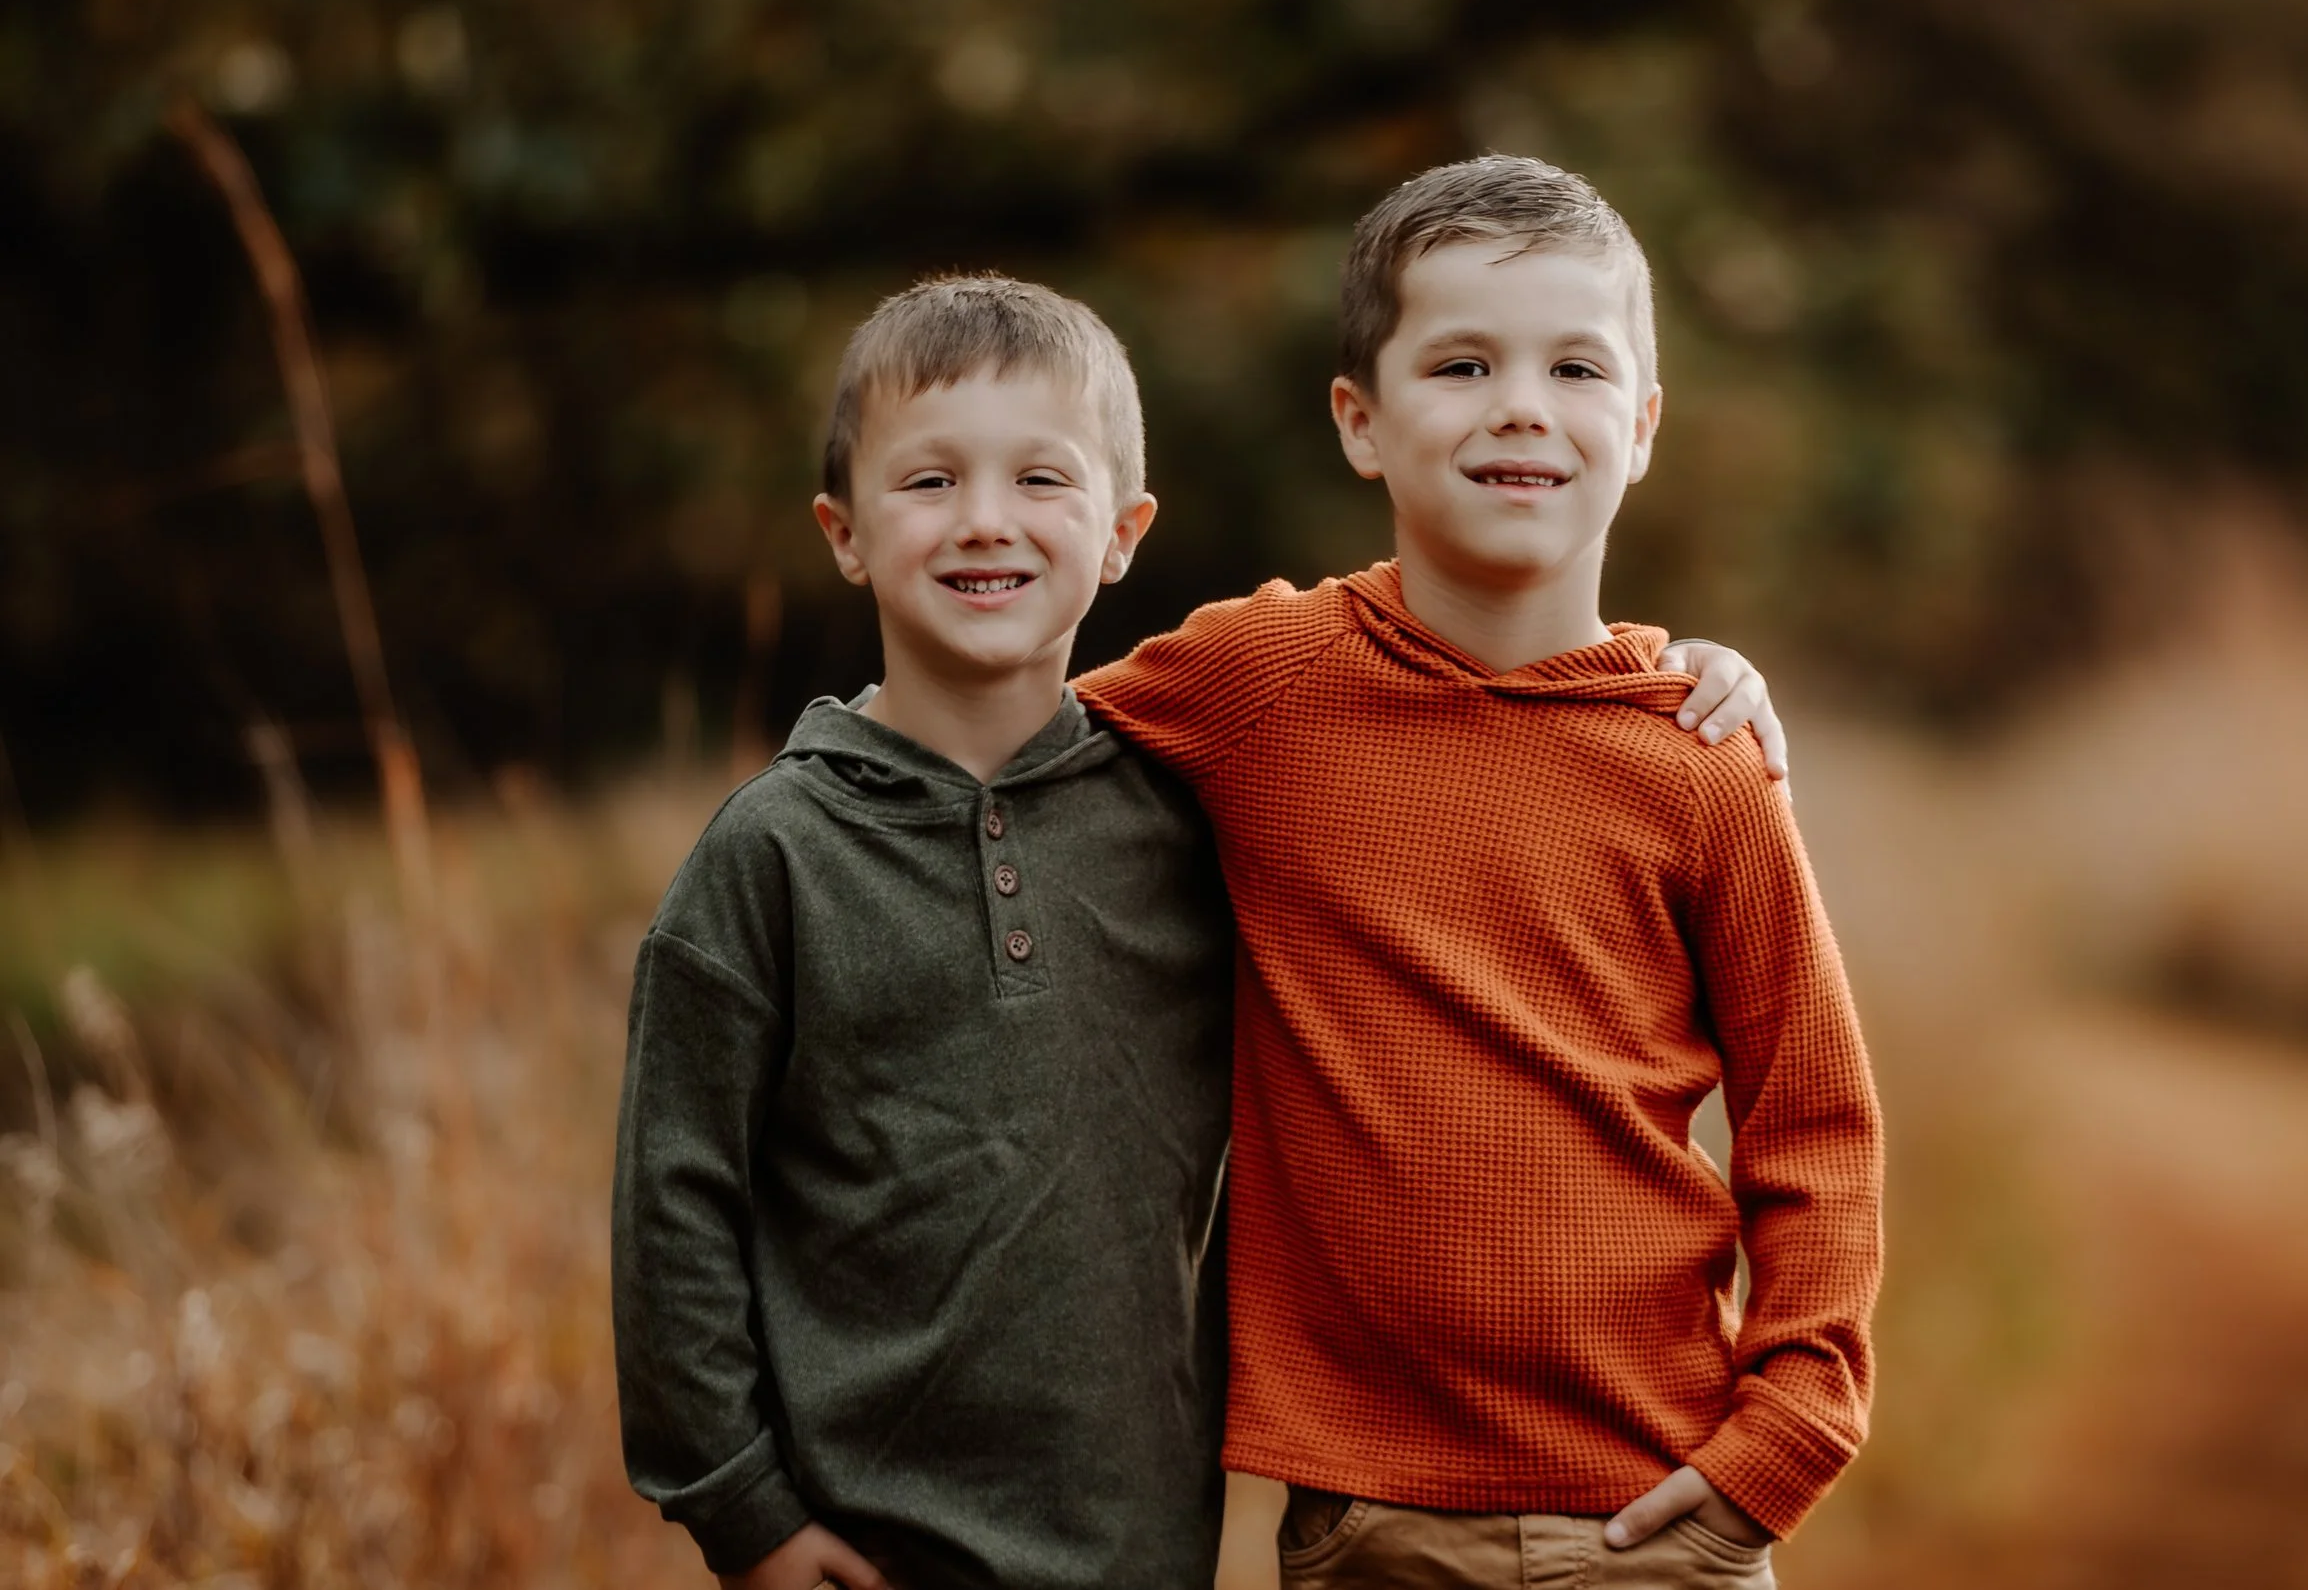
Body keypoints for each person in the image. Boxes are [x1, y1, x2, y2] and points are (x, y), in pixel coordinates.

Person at [610, 272, 1786, 1590]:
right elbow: (676, 1205)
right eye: (929, 482)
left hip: (1142, 1547)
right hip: (854, 1542)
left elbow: (1457, 749)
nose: (984, 521)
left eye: (1040, 481)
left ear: (1123, 532)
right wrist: (745, 1510)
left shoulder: (1190, 806)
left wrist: (1658, 677)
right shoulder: (769, 855)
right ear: (843, 531)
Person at [1076, 156, 1883, 1589]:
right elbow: (1009, 744)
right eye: (1461, 362)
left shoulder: (1701, 756)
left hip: (1661, 1516)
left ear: (1639, 427)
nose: (1522, 403)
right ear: (1361, 422)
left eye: (1576, 366)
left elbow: (1812, 1121)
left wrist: (1788, 1437)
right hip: (1368, 1521)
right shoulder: (1261, 683)